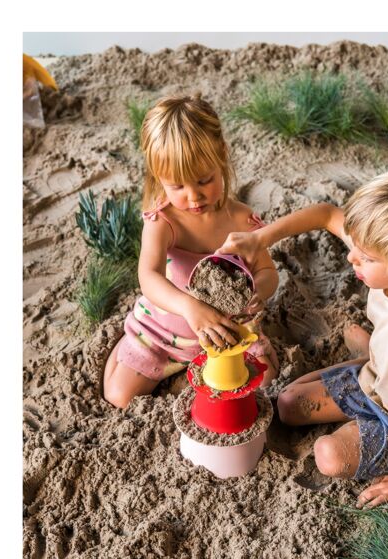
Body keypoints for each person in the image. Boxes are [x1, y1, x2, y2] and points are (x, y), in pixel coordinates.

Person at [217, 160, 388, 508]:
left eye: (366, 258)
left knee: (329, 455)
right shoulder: (387, 247)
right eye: (355, 244)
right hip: (376, 380)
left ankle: (379, 362)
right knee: (287, 404)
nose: (351, 257)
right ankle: (374, 356)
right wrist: (259, 238)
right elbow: (327, 214)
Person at [103, 94, 279, 409]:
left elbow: (267, 271)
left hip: (230, 332)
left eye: (204, 180)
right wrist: (189, 307)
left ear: (221, 155)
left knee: (267, 384)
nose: (194, 196)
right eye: (177, 186)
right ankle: (127, 349)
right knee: (119, 396)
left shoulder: (241, 219)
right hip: (166, 335)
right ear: (158, 177)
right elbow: (149, 275)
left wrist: (258, 293)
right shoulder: (164, 221)